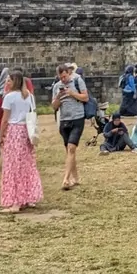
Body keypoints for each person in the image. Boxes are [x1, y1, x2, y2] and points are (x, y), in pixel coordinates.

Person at [0, 70, 43, 212]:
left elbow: (5, 119)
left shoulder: (9, 97)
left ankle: (15, 200)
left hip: (14, 131)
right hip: (26, 131)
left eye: (9, 80)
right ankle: (28, 196)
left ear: (14, 82)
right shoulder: (28, 96)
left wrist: (1, 136)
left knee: (13, 166)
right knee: (27, 164)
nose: (7, 83)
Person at [51, 62, 89, 190]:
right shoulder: (57, 87)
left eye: (65, 76)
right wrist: (58, 97)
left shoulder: (78, 81)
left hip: (77, 118)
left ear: (68, 73)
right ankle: (76, 177)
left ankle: (66, 179)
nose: (63, 80)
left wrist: (72, 93)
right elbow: (54, 106)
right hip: (64, 120)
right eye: (61, 78)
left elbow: (85, 97)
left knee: (71, 148)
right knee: (69, 151)